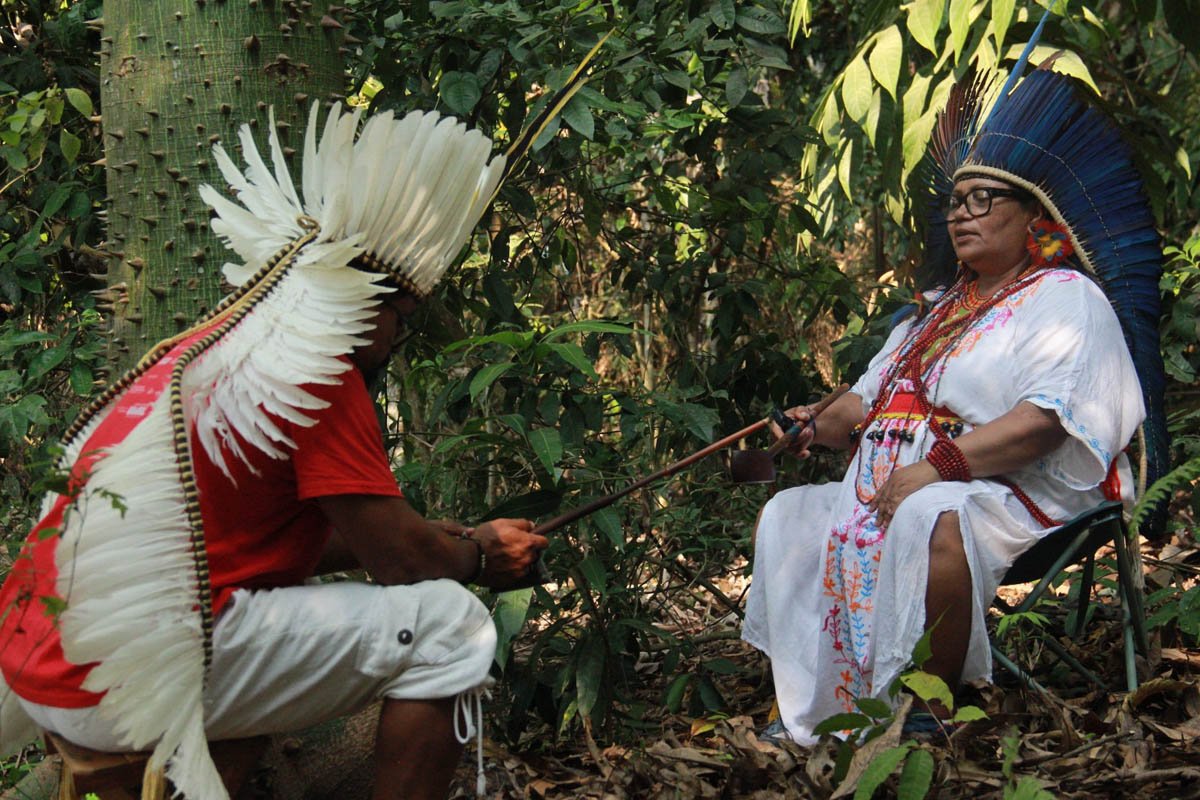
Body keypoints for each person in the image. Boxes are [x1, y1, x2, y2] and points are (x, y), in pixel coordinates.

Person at [0, 104, 548, 800]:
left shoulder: (213, 348)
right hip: (109, 680)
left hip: (41, 657)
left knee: (281, 605)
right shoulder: (319, 370)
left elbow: (253, 546)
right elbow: (404, 565)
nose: (391, 341)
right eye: (399, 320)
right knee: (452, 627)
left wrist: (449, 536)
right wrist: (477, 556)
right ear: (367, 301)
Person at [742, 66, 1168, 744]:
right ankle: (817, 707)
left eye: (984, 199)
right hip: (894, 487)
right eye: (957, 202)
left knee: (932, 516)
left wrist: (936, 466)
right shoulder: (930, 314)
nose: (963, 214)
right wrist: (813, 425)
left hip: (1008, 489)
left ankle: (923, 712)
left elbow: (1044, 422)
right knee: (789, 514)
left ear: (1034, 215)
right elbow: (866, 401)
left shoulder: (1066, 299)